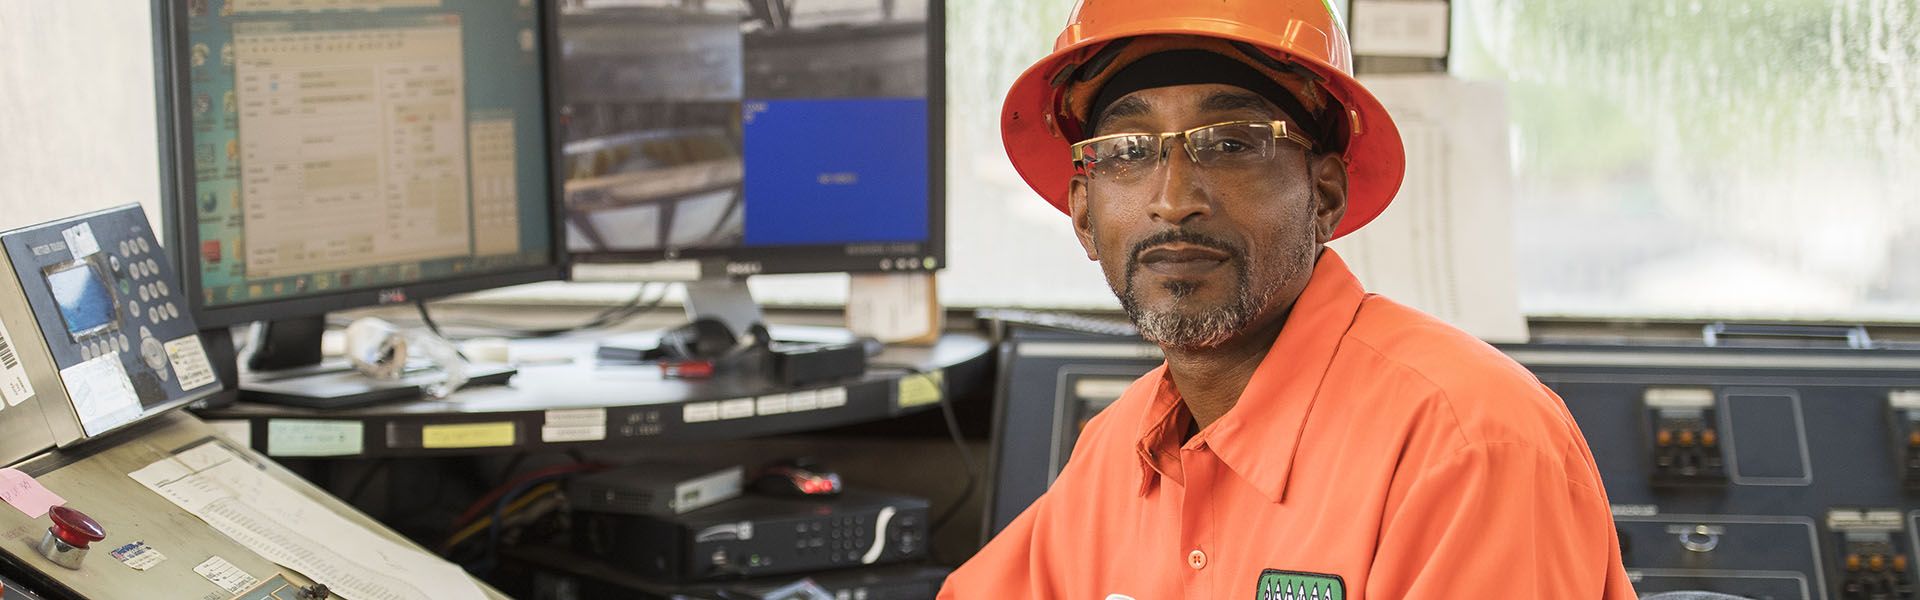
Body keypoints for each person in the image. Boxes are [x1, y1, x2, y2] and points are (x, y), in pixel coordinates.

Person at [940, 1, 1637, 597]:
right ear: (1085, 215)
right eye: (1127, 151)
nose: (1173, 200)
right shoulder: (1117, 449)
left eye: (1233, 143)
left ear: (1325, 195)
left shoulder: (1468, 444)